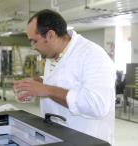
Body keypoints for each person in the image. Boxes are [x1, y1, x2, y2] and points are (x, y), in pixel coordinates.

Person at [13, 9, 116, 145]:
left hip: (86, 139)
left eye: (34, 41)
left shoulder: (93, 55)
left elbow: (97, 105)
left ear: (50, 35)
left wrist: (47, 90)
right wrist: (37, 86)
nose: (32, 47)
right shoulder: (53, 54)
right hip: (57, 136)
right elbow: (66, 79)